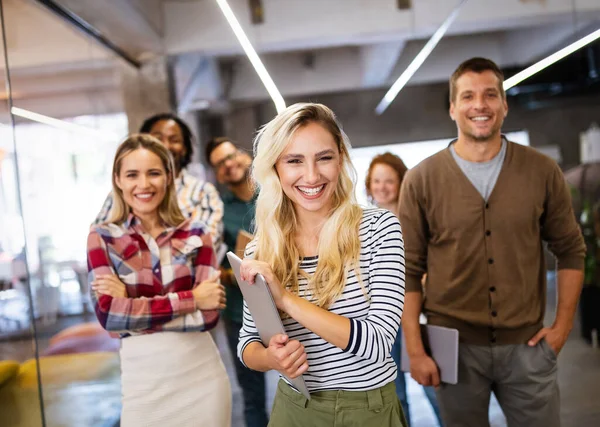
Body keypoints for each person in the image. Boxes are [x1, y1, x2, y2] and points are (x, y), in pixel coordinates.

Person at [399, 58, 586, 427]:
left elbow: (571, 250)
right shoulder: (422, 180)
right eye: (468, 96)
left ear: (504, 104)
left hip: (529, 345)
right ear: (453, 108)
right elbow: (408, 272)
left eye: (490, 95)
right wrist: (416, 350)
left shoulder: (542, 171)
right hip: (452, 346)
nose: (479, 105)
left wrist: (561, 328)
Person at [237, 103, 407, 427]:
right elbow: (248, 342)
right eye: (294, 161)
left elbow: (377, 342)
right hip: (294, 409)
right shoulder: (262, 248)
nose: (312, 176)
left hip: (368, 410)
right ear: (276, 167)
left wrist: (285, 299)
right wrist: (271, 358)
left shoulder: (379, 228)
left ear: (340, 158)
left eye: (324, 158)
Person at [87, 134, 231, 427]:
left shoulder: (197, 233)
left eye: (153, 173)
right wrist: (191, 299)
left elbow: (209, 314)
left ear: (168, 177)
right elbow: (110, 316)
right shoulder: (102, 237)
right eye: (132, 175)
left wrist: (131, 305)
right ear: (118, 180)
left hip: (203, 379)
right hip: (143, 387)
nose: (144, 184)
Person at [365, 153, 443, 427]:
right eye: (376, 181)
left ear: (401, 182)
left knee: (433, 384)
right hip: (381, 320)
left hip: (417, 315)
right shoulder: (362, 223)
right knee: (394, 393)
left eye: (389, 180)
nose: (382, 187)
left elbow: (432, 262)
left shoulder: (415, 220)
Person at [206, 136, 269, 427]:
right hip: (240, 313)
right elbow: (212, 268)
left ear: (243, 155)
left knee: (309, 380)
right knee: (252, 394)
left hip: (291, 301)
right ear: (217, 174)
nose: (229, 165)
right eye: (220, 164)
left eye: (231, 156)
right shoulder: (218, 212)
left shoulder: (274, 193)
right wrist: (238, 272)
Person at [95, 113, 224, 248]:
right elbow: (100, 243)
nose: (166, 146)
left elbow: (205, 246)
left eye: (174, 140)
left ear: (185, 149)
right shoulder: (125, 191)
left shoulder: (203, 192)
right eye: (158, 138)